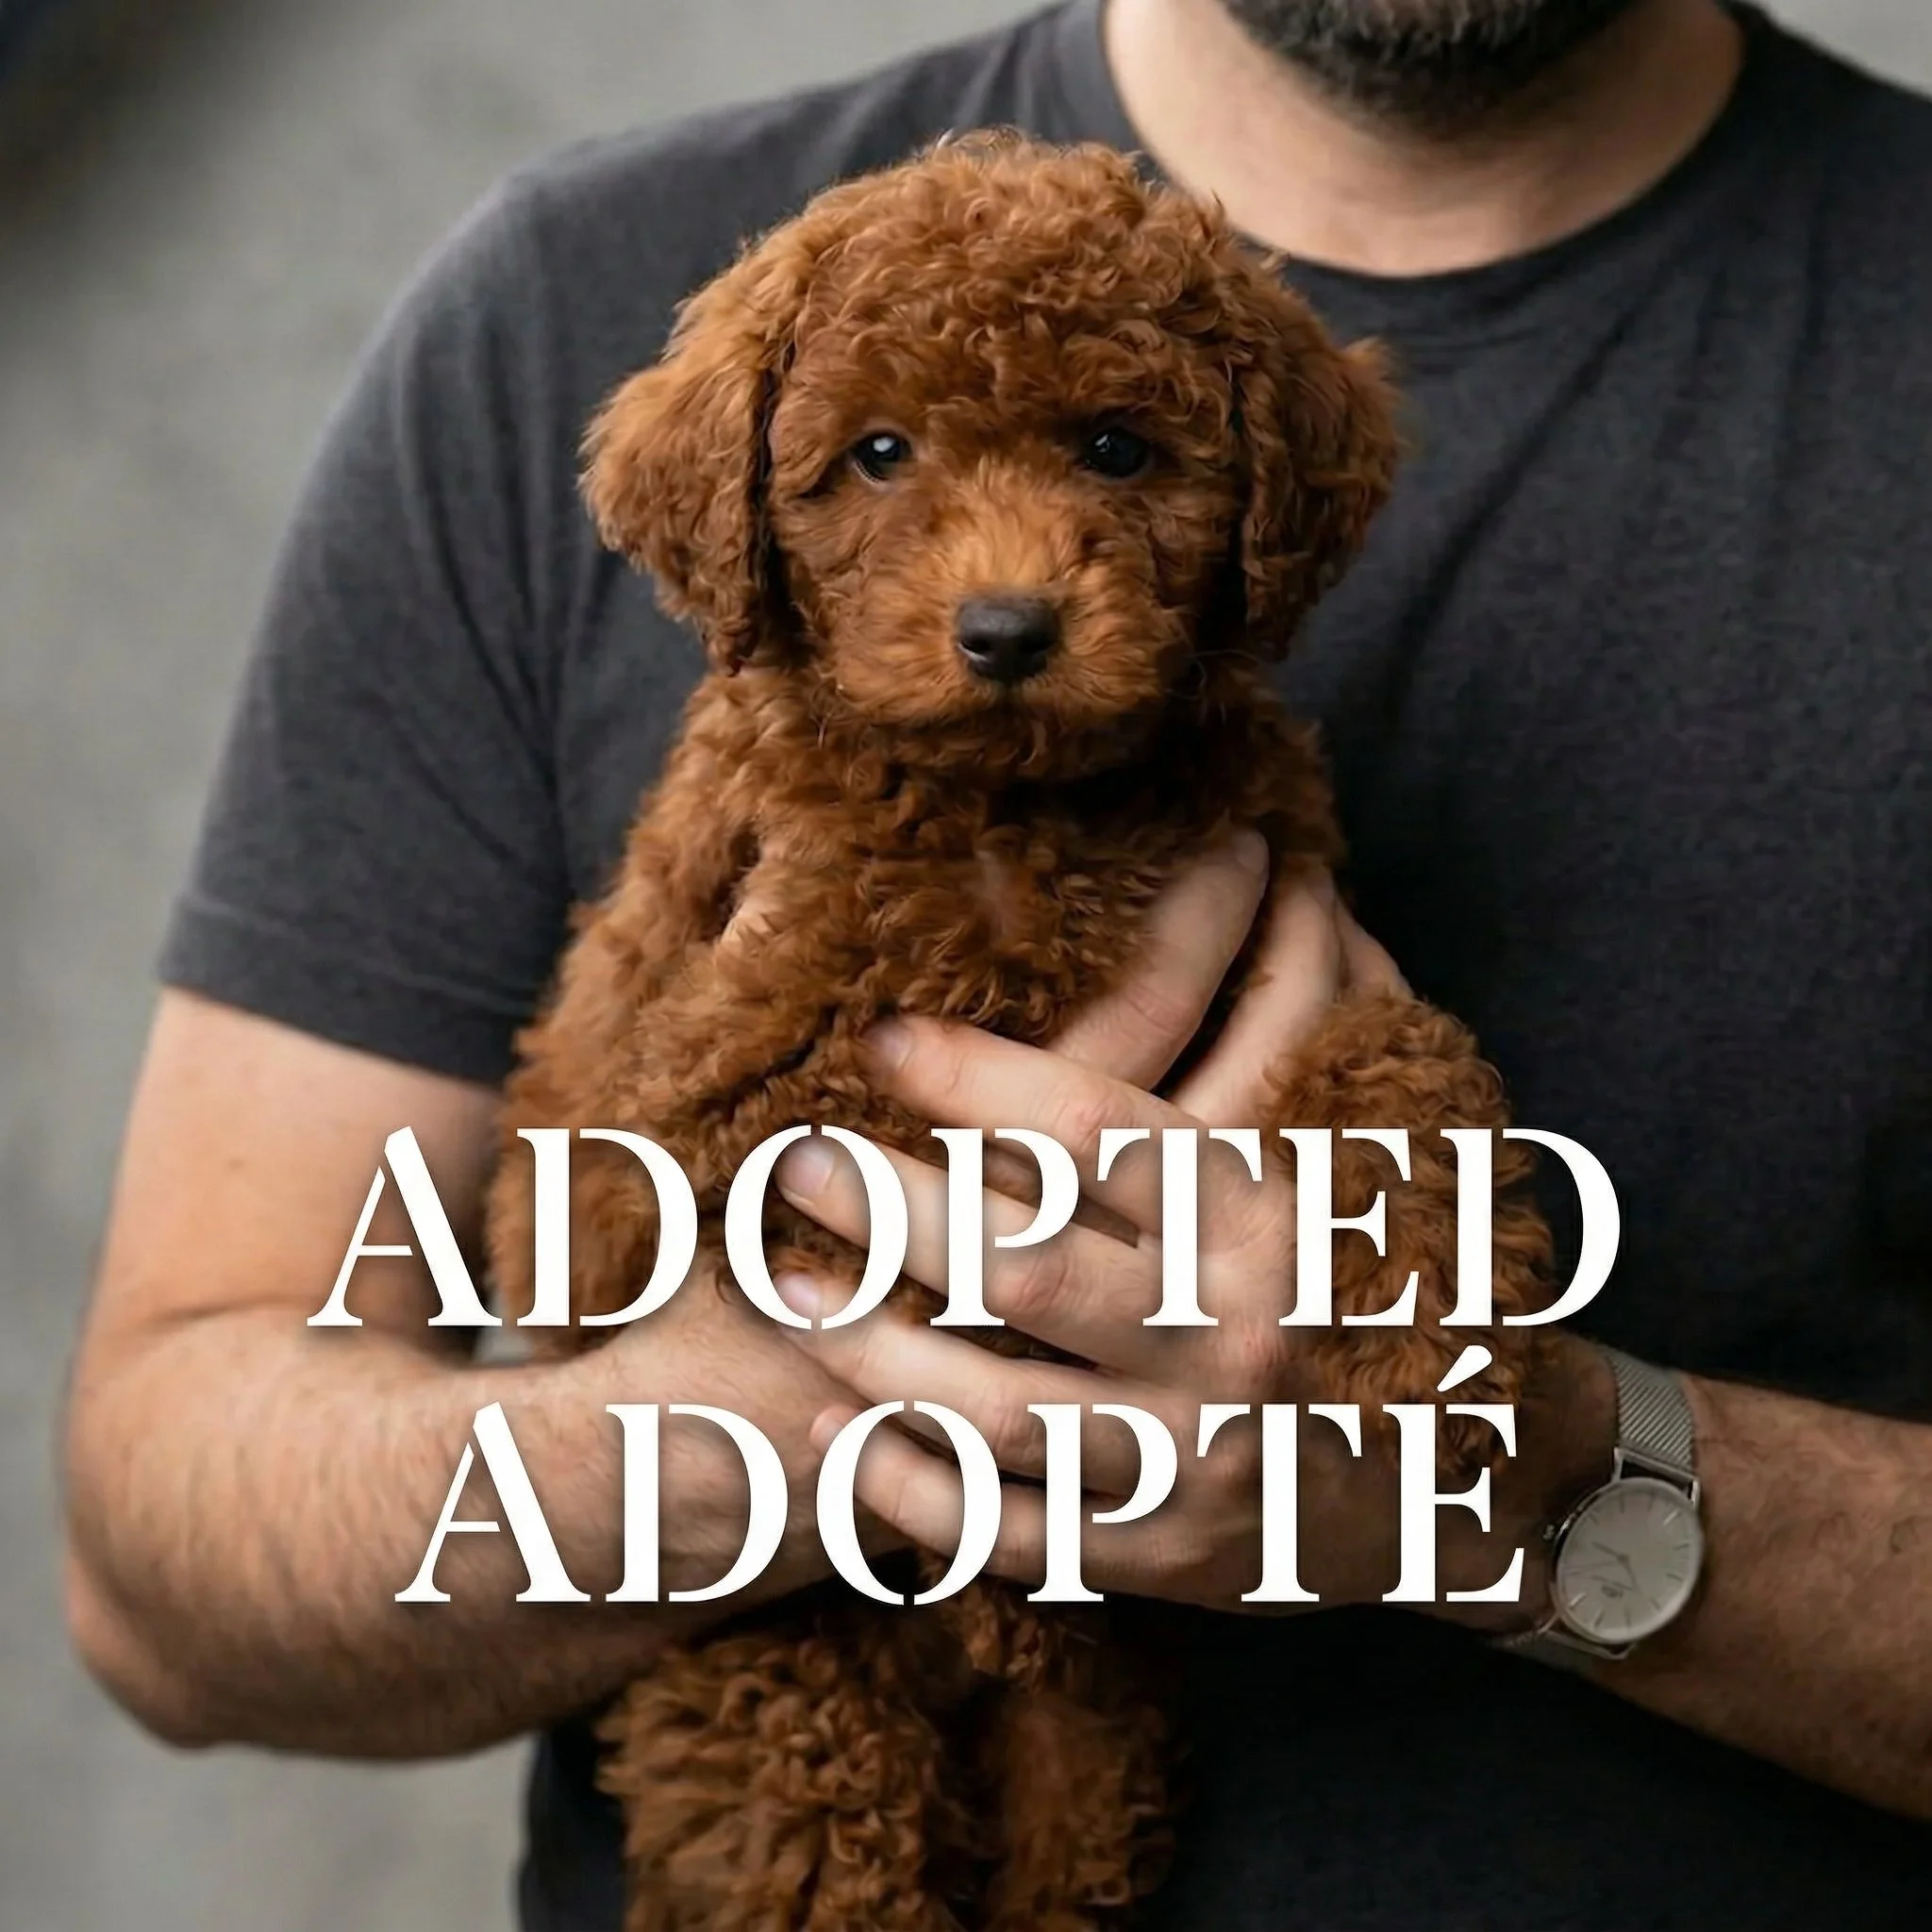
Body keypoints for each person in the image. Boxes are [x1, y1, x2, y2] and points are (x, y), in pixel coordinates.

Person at [60, 0, 1932, 1924]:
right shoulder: (563, 301)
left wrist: (1537, 1481)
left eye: (1120, 452)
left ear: (1262, 513)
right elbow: (157, 1568)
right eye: (876, 464)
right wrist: (775, 1414)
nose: (1007, 570)